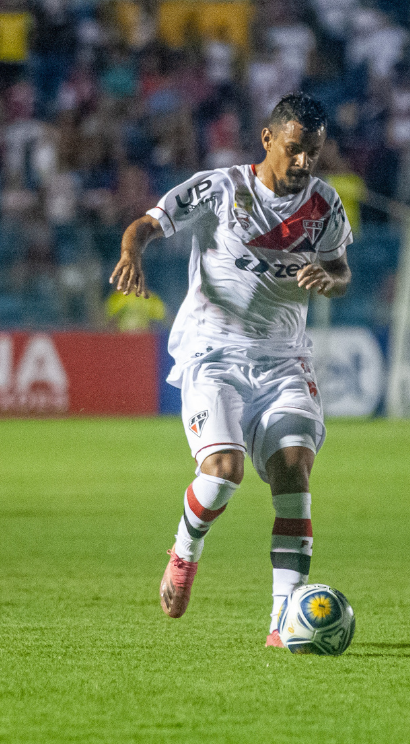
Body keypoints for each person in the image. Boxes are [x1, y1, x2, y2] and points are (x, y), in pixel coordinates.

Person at [111, 92, 353, 645]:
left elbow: (341, 268)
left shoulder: (325, 204)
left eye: (313, 153)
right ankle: (185, 549)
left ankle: (282, 624)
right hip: (213, 356)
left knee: (294, 469)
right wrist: (132, 253)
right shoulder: (219, 189)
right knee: (222, 472)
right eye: (295, 150)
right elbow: (145, 224)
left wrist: (329, 280)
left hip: (284, 361)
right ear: (268, 139)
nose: (303, 164)